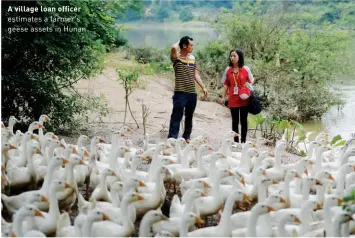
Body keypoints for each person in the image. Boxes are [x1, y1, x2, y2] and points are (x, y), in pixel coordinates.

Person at [167, 36, 208, 143]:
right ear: (184, 46)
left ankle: (186, 136)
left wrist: (203, 87)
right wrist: (179, 41)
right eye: (191, 45)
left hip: (191, 93)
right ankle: (172, 138)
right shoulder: (176, 57)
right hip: (180, 92)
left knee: (189, 116)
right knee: (177, 114)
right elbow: (173, 48)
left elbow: (196, 74)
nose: (192, 47)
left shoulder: (193, 58)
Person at [220, 49, 253, 143]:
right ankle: (236, 141)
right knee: (235, 121)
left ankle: (243, 141)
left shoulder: (246, 69)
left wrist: (248, 84)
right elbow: (226, 84)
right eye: (231, 56)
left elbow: (251, 80)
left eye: (234, 56)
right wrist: (223, 97)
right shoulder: (228, 70)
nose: (232, 58)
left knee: (243, 121)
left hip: (244, 99)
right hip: (233, 99)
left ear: (239, 57)